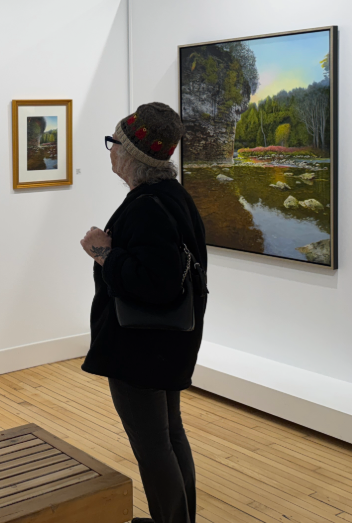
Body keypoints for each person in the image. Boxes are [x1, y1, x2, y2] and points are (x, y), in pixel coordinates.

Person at [79, 102, 208, 523]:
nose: (110, 151)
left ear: (131, 153)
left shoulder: (147, 207)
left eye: (113, 142)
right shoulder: (174, 197)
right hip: (167, 345)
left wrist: (102, 252)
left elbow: (157, 283)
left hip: (141, 349)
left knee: (153, 447)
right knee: (170, 436)